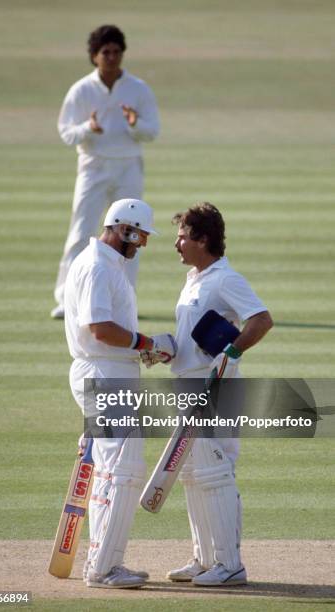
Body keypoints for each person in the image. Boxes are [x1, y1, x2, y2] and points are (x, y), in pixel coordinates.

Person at [142, 202, 273, 586]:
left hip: (216, 387)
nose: (177, 244)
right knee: (194, 474)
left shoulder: (224, 278)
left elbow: (261, 320)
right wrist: (166, 349)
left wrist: (232, 352)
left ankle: (230, 564)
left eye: (182, 236)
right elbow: (192, 338)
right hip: (188, 385)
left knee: (216, 473)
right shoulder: (195, 279)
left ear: (202, 239)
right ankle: (203, 559)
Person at [64, 198, 177, 589]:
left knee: (112, 471)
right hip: (104, 375)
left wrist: (141, 349)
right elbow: (100, 329)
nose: (142, 244)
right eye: (140, 235)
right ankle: (103, 568)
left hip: (108, 372)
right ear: (122, 228)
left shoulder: (106, 264)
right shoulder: (98, 266)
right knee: (122, 471)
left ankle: (102, 560)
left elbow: (111, 334)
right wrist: (146, 341)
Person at [51, 25, 160, 319]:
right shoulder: (81, 90)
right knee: (81, 230)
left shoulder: (138, 88)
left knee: (131, 235)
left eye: (116, 52)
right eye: (105, 52)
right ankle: (66, 297)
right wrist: (88, 128)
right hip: (93, 165)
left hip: (128, 166)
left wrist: (135, 123)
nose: (111, 57)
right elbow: (65, 132)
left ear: (122, 54)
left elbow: (153, 131)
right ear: (94, 56)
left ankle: (127, 299)